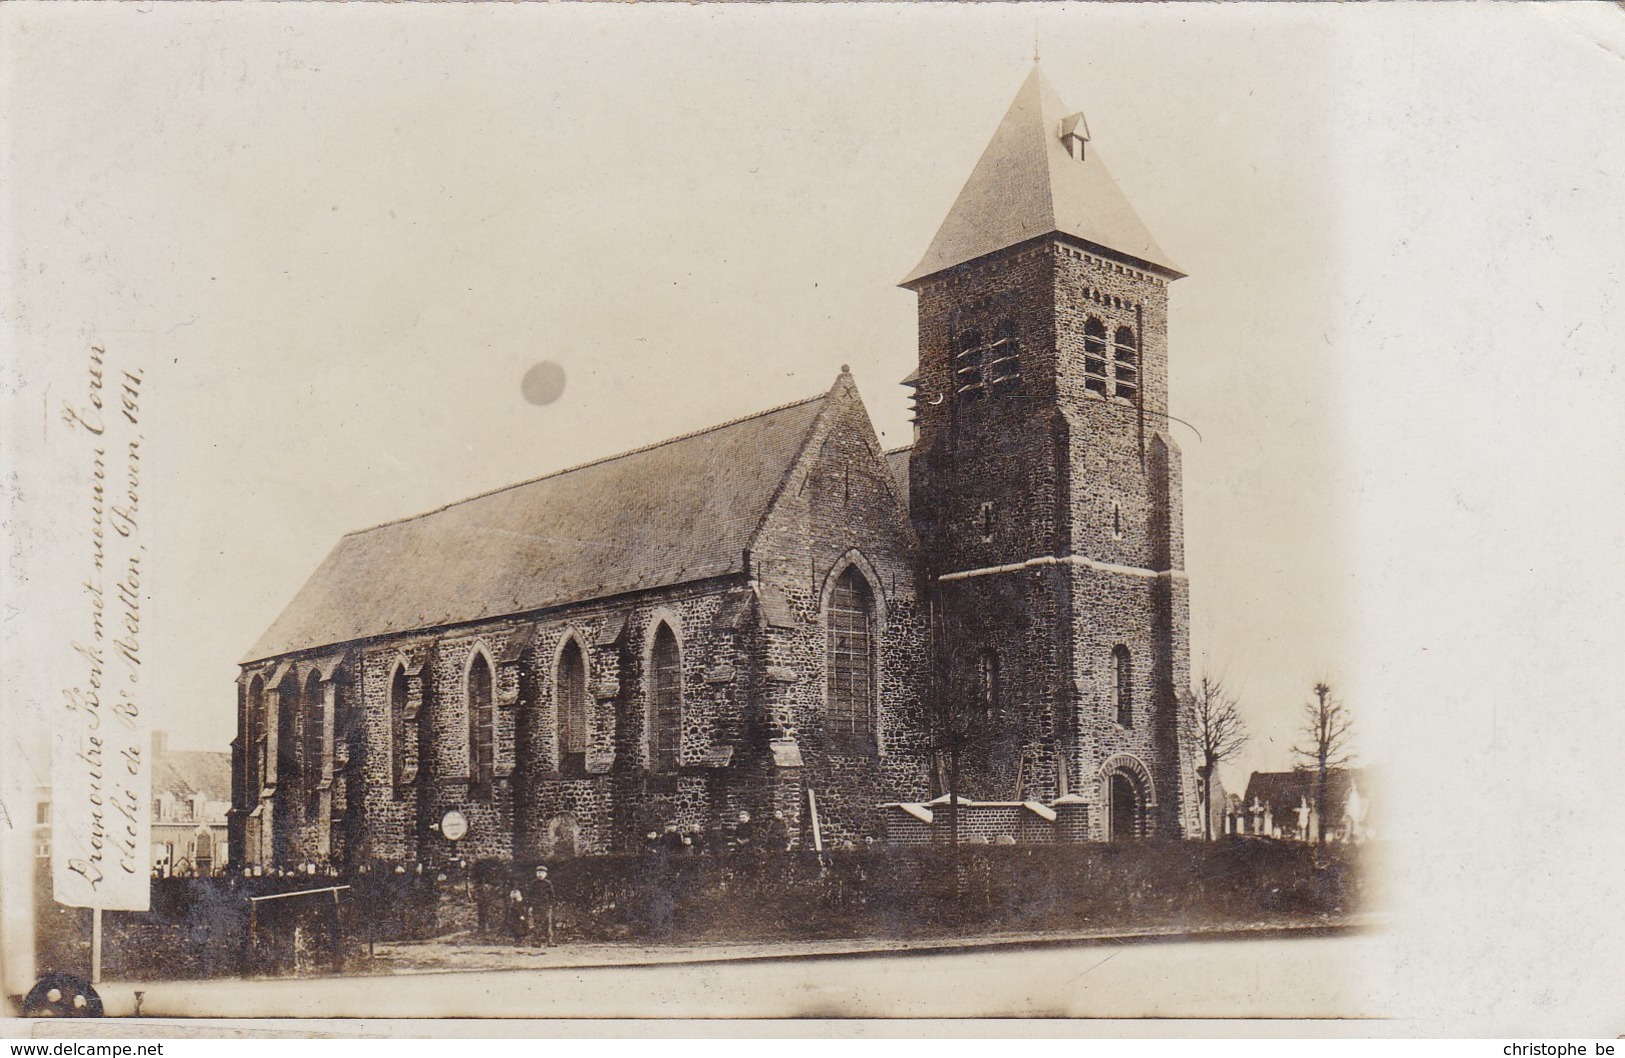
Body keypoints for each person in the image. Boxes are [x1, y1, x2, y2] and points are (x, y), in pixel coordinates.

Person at [528, 865, 557, 947]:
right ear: (536, 873)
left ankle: (549, 941)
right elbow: (529, 895)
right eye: (538, 872)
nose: (540, 874)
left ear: (546, 874)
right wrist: (530, 905)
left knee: (548, 923)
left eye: (542, 873)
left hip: (546, 906)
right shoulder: (533, 884)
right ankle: (537, 941)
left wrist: (551, 904)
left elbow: (552, 895)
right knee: (537, 923)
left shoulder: (548, 883)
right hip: (536, 906)